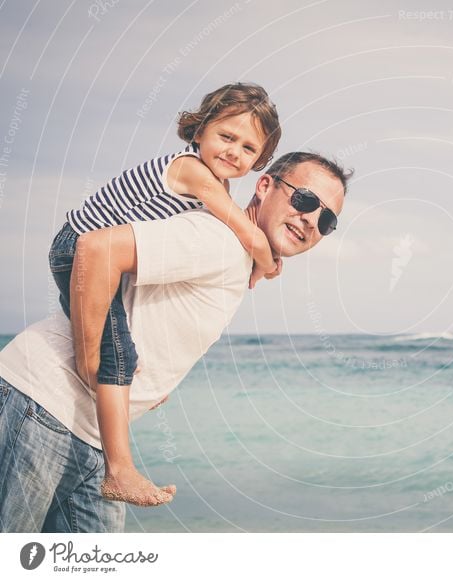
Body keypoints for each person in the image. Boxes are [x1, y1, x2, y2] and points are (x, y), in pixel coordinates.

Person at [0, 151, 350, 532]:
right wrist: (90, 361)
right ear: (265, 186)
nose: (311, 219)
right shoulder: (217, 240)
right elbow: (96, 249)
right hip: (42, 404)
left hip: (93, 434)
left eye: (327, 219)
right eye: (305, 200)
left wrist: (150, 387)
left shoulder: (237, 258)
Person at [50, 83, 283, 508]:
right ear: (199, 131)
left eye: (248, 148)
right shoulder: (191, 170)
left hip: (103, 261)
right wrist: (266, 262)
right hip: (76, 249)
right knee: (111, 353)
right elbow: (246, 231)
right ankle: (118, 468)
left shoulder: (216, 184)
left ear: (258, 161)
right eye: (226, 137)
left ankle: (110, 392)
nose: (234, 152)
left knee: (124, 352)